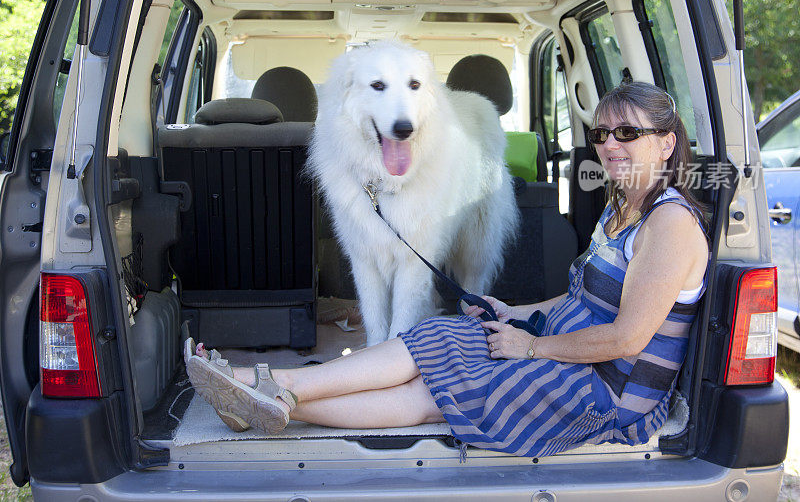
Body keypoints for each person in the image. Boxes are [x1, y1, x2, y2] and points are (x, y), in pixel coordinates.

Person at [185, 81, 709, 457]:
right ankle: (266, 385)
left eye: (627, 133)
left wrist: (530, 346)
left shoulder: (669, 226)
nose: (610, 144)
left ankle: (277, 400)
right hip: (568, 350)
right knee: (434, 337)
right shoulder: (623, 212)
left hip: (605, 393)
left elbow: (627, 338)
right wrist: (516, 312)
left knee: (437, 391)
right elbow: (581, 303)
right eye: (602, 135)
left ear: (666, 142)